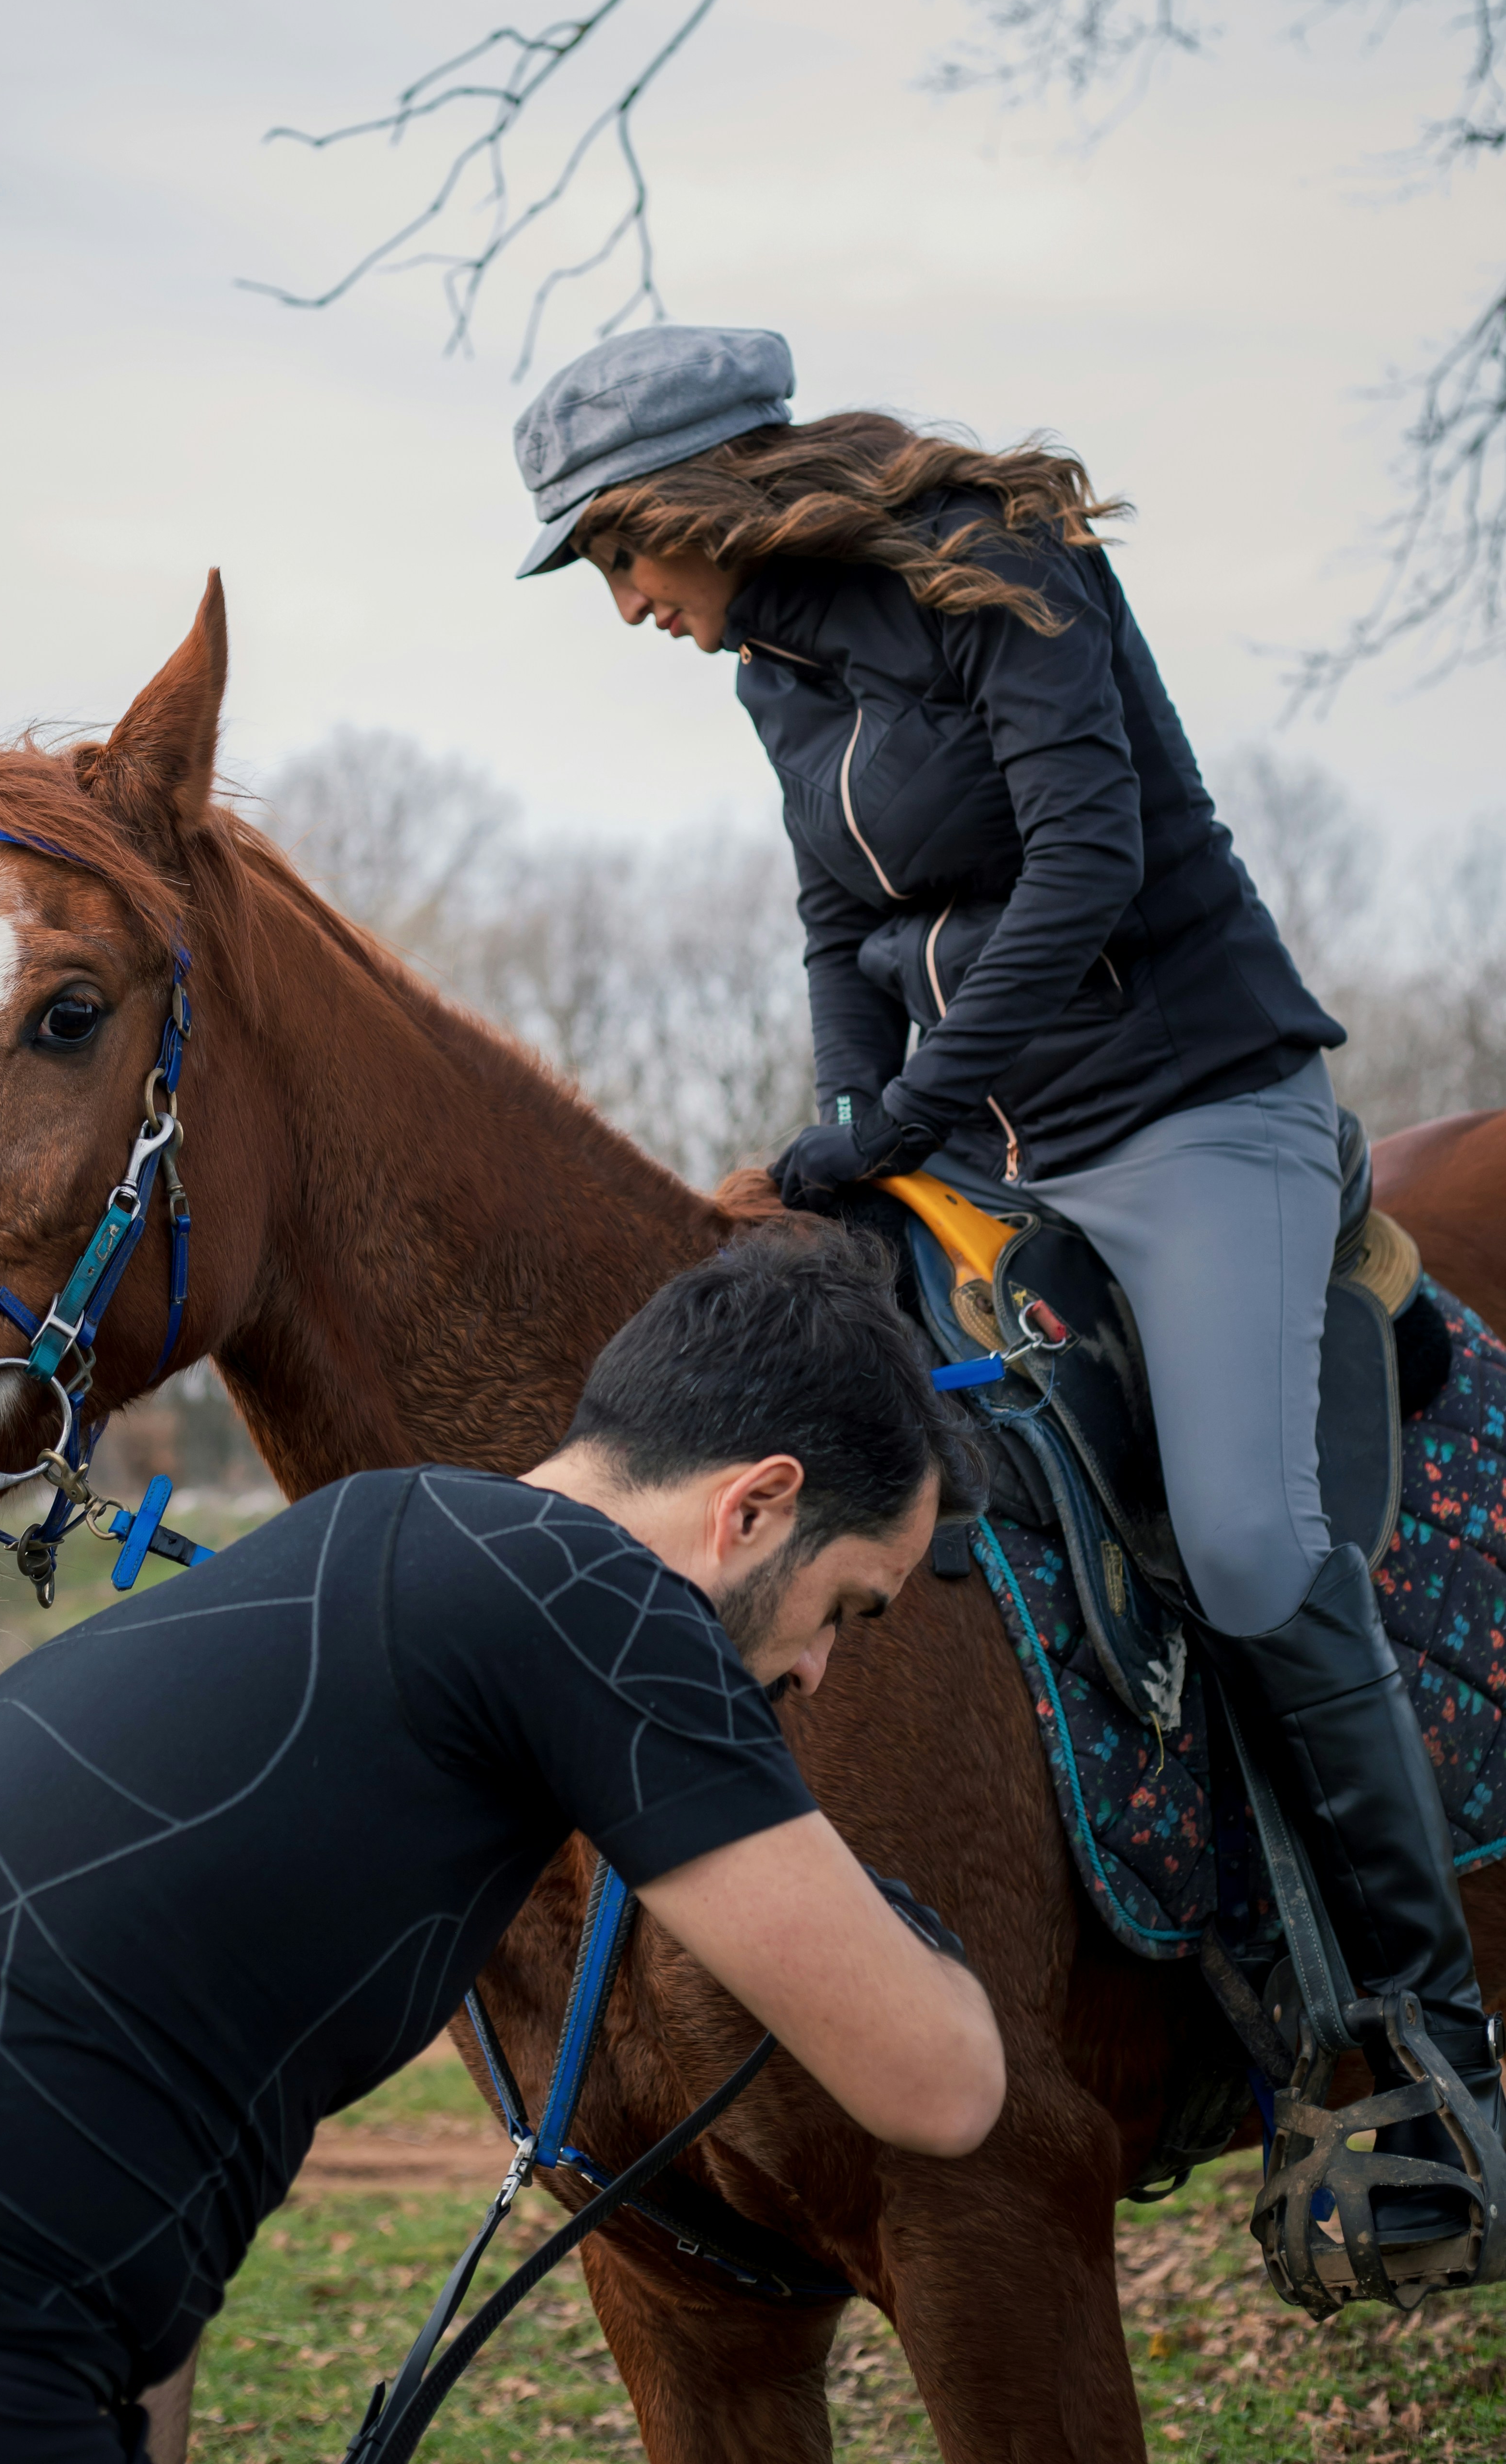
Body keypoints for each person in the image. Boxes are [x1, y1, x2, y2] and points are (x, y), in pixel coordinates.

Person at [509, 320, 1504, 2243]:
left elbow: (1078, 869)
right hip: (978, 1153)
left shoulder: (1005, 561)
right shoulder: (771, 663)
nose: (623, 603)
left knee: (1235, 1547)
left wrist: (885, 1125)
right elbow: (834, 918)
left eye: (617, 555)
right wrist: (840, 1151)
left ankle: (1435, 2068)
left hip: (1195, 1115)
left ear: (689, 500)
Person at [0, 1227, 1002, 2464]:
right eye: (847, 1611)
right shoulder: (601, 1604)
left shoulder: (366, 1544)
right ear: (755, 1509)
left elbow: (163, 2126)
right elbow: (939, 2086)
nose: (815, 1675)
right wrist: (918, 1942)